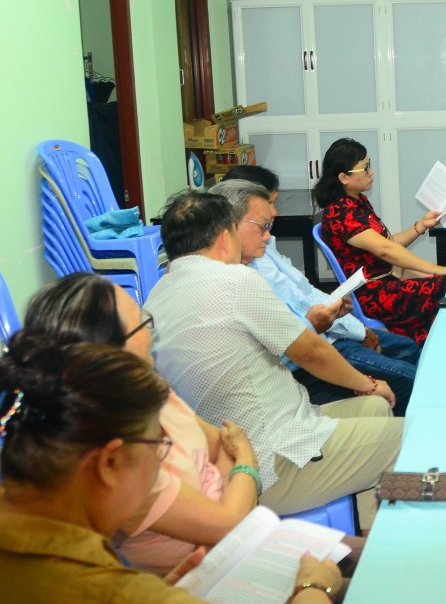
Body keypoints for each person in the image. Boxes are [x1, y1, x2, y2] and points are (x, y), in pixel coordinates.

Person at [0, 335, 348, 604]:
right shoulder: (103, 601)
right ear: (110, 462)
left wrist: (162, 600)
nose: (162, 457)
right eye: (158, 447)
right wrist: (313, 587)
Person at [147, 190, 403, 516]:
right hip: (272, 461)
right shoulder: (236, 280)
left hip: (231, 458)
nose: (265, 237)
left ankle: (365, 531)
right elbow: (310, 352)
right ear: (225, 237)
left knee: (376, 408)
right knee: (409, 437)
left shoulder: (157, 295)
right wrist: (368, 383)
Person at [21, 272, 259, 575]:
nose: (151, 333)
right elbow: (228, 518)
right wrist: (246, 463)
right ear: (112, 352)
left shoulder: (151, 390)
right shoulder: (118, 456)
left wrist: (223, 513)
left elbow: (218, 445)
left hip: (228, 550)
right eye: (142, 324)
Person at [213, 176, 419, 415]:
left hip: (325, 336)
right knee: (410, 380)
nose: (268, 234)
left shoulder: (260, 253)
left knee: (409, 350)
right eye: (263, 225)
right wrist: (364, 369)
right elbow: (292, 351)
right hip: (306, 361)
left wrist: (344, 320)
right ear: (228, 227)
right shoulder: (238, 282)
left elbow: (305, 293)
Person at [316, 138, 446, 345]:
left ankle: (434, 344)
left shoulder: (357, 201)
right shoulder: (341, 213)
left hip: (387, 281)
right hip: (373, 294)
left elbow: (388, 243)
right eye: (365, 168)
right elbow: (385, 250)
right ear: (344, 177)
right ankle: (437, 346)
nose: (371, 172)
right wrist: (436, 269)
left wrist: (421, 225)